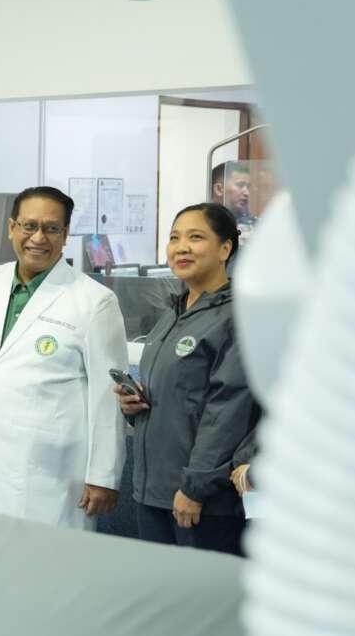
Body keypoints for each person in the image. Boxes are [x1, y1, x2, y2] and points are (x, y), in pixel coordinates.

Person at [0, 186, 128, 528]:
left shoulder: (94, 301)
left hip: (44, 469)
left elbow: (107, 394)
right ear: (11, 228)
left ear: (65, 234)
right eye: (29, 226)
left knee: (38, 556)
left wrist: (104, 474)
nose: (38, 238)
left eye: (51, 228)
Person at [115, 202, 260, 556]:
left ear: (225, 248)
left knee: (201, 590)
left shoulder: (237, 316)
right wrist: (131, 405)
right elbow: (179, 396)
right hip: (154, 490)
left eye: (195, 237)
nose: (181, 247)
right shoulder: (173, 314)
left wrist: (195, 488)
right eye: (174, 238)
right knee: (161, 587)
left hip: (202, 500)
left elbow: (228, 410)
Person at [211, 161, 255, 227]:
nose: (247, 193)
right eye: (240, 185)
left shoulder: (254, 224)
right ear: (219, 189)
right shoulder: (201, 221)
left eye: (248, 187)